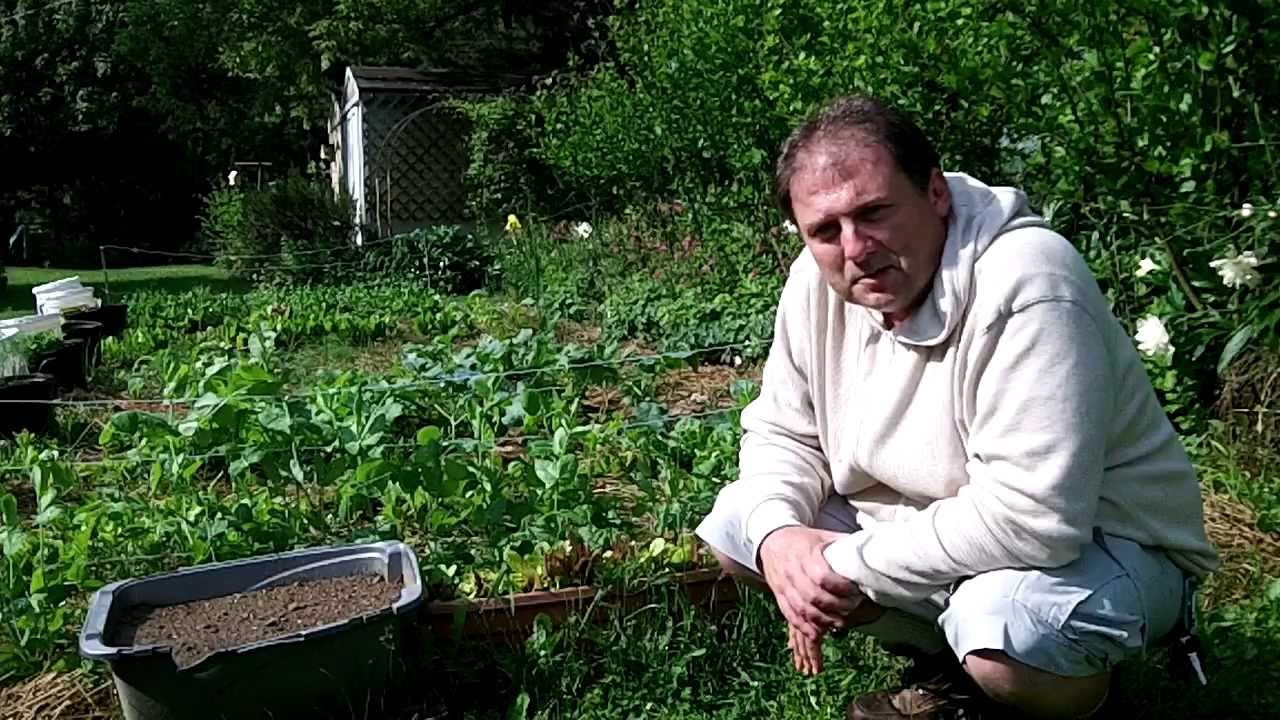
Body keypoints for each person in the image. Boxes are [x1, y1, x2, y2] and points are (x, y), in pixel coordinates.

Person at [695, 95, 1220, 720]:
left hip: (1105, 544)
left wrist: (832, 564)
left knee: (1005, 627)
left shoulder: (1028, 283)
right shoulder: (818, 280)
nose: (855, 247)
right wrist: (782, 542)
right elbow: (783, 433)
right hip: (934, 529)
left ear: (936, 193)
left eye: (875, 213)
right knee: (741, 527)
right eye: (825, 230)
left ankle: (1052, 694)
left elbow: (1035, 519)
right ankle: (951, 669)